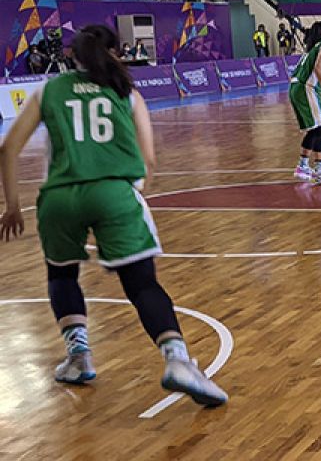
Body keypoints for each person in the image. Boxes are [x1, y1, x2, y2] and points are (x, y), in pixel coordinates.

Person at [0, 24, 227, 405]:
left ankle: (79, 356)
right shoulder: (126, 91)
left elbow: (7, 148)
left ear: (72, 56)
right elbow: (148, 160)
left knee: (61, 274)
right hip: (114, 192)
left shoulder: (49, 89)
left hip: (59, 198)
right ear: (117, 53)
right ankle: (177, 360)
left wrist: (10, 206)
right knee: (142, 286)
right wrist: (133, 194)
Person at [289, 18, 321, 185]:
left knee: (316, 128)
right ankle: (319, 170)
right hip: (306, 87)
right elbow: (318, 68)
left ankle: (303, 166)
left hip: (297, 87)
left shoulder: (318, 45)